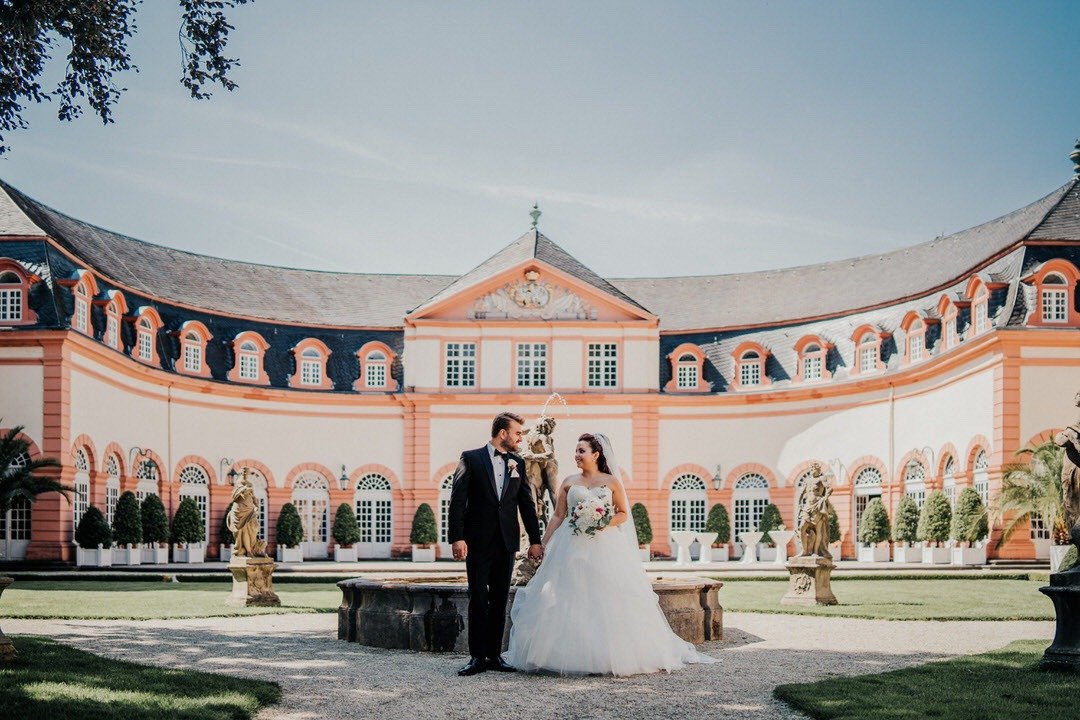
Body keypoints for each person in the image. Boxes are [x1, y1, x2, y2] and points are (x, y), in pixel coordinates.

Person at [506, 432, 717, 675]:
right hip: (570, 546)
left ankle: (607, 655)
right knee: (565, 595)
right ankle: (563, 654)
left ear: (596, 454)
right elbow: (557, 516)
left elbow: (623, 514)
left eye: (581, 451)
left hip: (604, 546)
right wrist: (542, 543)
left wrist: (603, 521)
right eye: (575, 450)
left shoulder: (611, 482)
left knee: (605, 597)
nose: (576, 455)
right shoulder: (568, 481)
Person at [447, 411, 543, 676]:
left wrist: (535, 541)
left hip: (506, 542)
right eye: (517, 433)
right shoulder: (471, 458)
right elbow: (457, 500)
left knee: (500, 600)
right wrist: (457, 537)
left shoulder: (517, 463)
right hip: (477, 542)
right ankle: (477, 657)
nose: (520, 438)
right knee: (478, 597)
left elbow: (526, 503)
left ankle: (494, 655)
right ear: (503, 433)